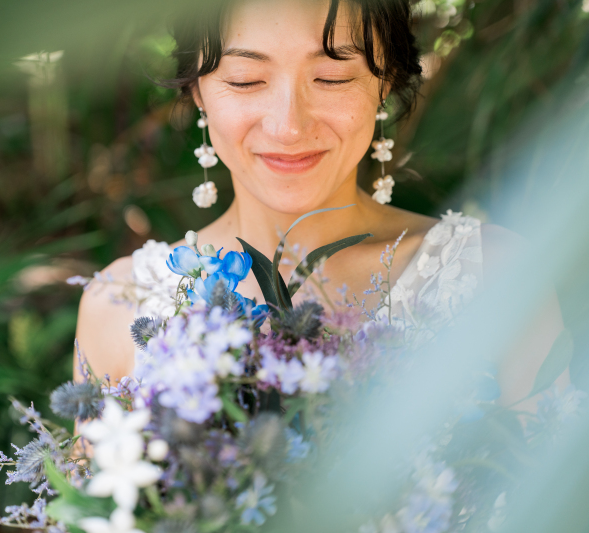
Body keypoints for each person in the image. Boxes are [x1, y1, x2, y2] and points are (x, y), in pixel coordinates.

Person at [75, 0, 565, 410]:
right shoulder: (117, 306)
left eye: (332, 77)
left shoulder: (496, 277)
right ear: (198, 90)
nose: (289, 126)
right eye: (246, 79)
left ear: (386, 82)